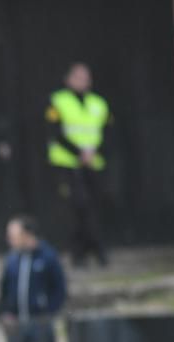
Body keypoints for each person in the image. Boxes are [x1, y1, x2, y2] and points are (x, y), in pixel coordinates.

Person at [47, 62, 111, 267]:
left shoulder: (99, 103)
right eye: (78, 77)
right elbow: (54, 133)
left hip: (94, 164)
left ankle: (98, 251)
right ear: (68, 79)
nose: (83, 81)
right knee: (77, 209)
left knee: (93, 209)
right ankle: (79, 254)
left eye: (86, 77)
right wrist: (79, 153)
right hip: (67, 164)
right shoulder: (58, 101)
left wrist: (94, 152)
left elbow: (108, 132)